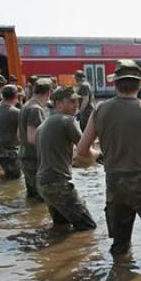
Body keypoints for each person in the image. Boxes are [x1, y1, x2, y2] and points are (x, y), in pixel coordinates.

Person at [77, 60, 141, 259]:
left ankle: (119, 273)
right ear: (140, 84)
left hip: (114, 184)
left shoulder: (100, 110)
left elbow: (81, 151)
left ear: (115, 83)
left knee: (120, 243)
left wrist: (100, 157)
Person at [35, 87, 97, 231]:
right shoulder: (67, 120)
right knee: (88, 227)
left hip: (42, 183)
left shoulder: (43, 125)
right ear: (58, 103)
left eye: (77, 101)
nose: (76, 105)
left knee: (61, 227)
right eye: (71, 102)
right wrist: (100, 156)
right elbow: (84, 149)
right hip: (58, 184)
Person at [19, 78, 52, 200]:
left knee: (32, 198)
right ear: (49, 92)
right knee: (40, 199)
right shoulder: (35, 109)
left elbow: (19, 134)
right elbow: (33, 138)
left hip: (26, 156)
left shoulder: (26, 105)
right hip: (34, 159)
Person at [0, 85, 22, 179]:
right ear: (16, 96)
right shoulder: (17, 112)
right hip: (10, 151)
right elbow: (19, 135)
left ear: (2, 96)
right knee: (15, 179)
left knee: (8, 176)